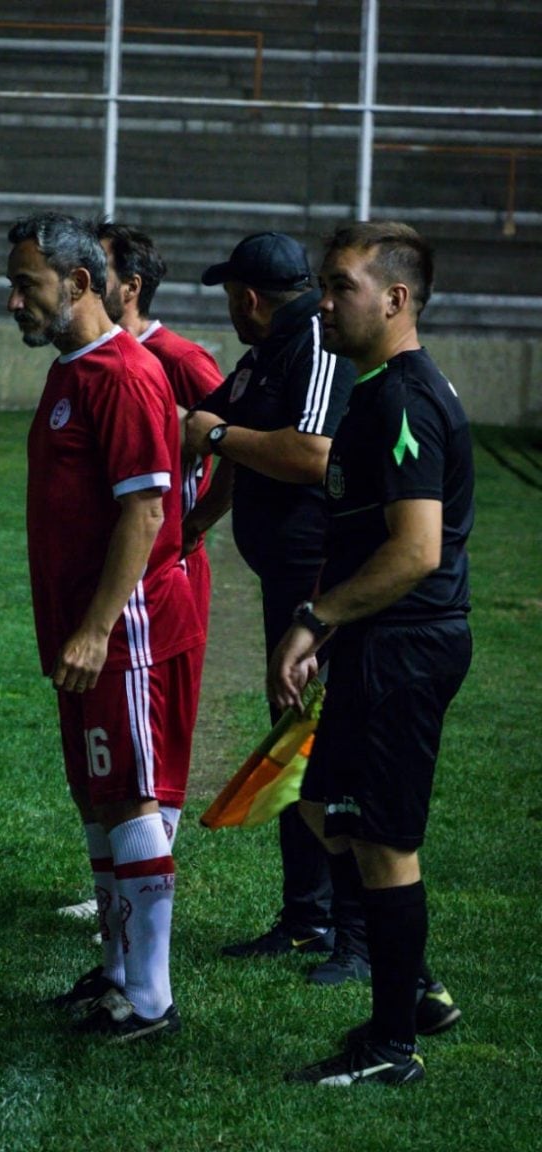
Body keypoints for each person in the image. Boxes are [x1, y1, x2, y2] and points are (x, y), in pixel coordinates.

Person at [269, 221, 474, 1085]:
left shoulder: (402, 399)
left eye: (340, 286)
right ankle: (411, 980)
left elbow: (417, 548)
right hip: (377, 642)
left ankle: (392, 1044)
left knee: (384, 840)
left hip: (405, 647)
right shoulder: (378, 387)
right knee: (330, 810)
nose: (323, 302)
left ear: (394, 299)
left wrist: (317, 616)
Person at [6, 211, 205, 1041]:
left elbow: (144, 512)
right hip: (81, 632)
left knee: (130, 796)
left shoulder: (125, 375)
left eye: (27, 285)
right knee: (97, 796)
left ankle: (151, 998)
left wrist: (92, 631)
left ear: (79, 283)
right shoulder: (72, 370)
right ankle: (118, 972)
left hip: (123, 633)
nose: (12, 301)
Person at [182, 231, 359, 978]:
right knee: (294, 746)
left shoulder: (314, 345)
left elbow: (313, 454)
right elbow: (228, 445)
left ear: (249, 298)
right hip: (287, 585)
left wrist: (216, 431)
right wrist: (187, 530)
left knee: (326, 751)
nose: (231, 311)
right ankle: (305, 919)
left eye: (230, 298)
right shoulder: (264, 356)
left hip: (322, 589)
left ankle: (349, 932)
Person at [96, 220, 223, 630]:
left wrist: (196, 524)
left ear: (131, 288)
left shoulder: (181, 360)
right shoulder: (105, 359)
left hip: (171, 563)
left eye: (99, 272)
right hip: (123, 555)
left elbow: (238, 444)